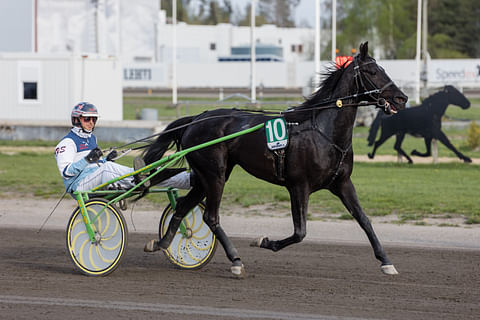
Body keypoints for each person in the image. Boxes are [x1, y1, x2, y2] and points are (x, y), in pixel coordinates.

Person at [54, 102, 191, 194]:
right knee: (109, 169)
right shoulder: (67, 143)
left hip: (95, 177)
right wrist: (88, 159)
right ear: (76, 119)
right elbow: (66, 172)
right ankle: (139, 178)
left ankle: (187, 179)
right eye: (87, 119)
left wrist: (107, 159)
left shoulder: (92, 139)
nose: (91, 123)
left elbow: (96, 166)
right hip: (78, 186)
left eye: (94, 119)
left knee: (150, 172)